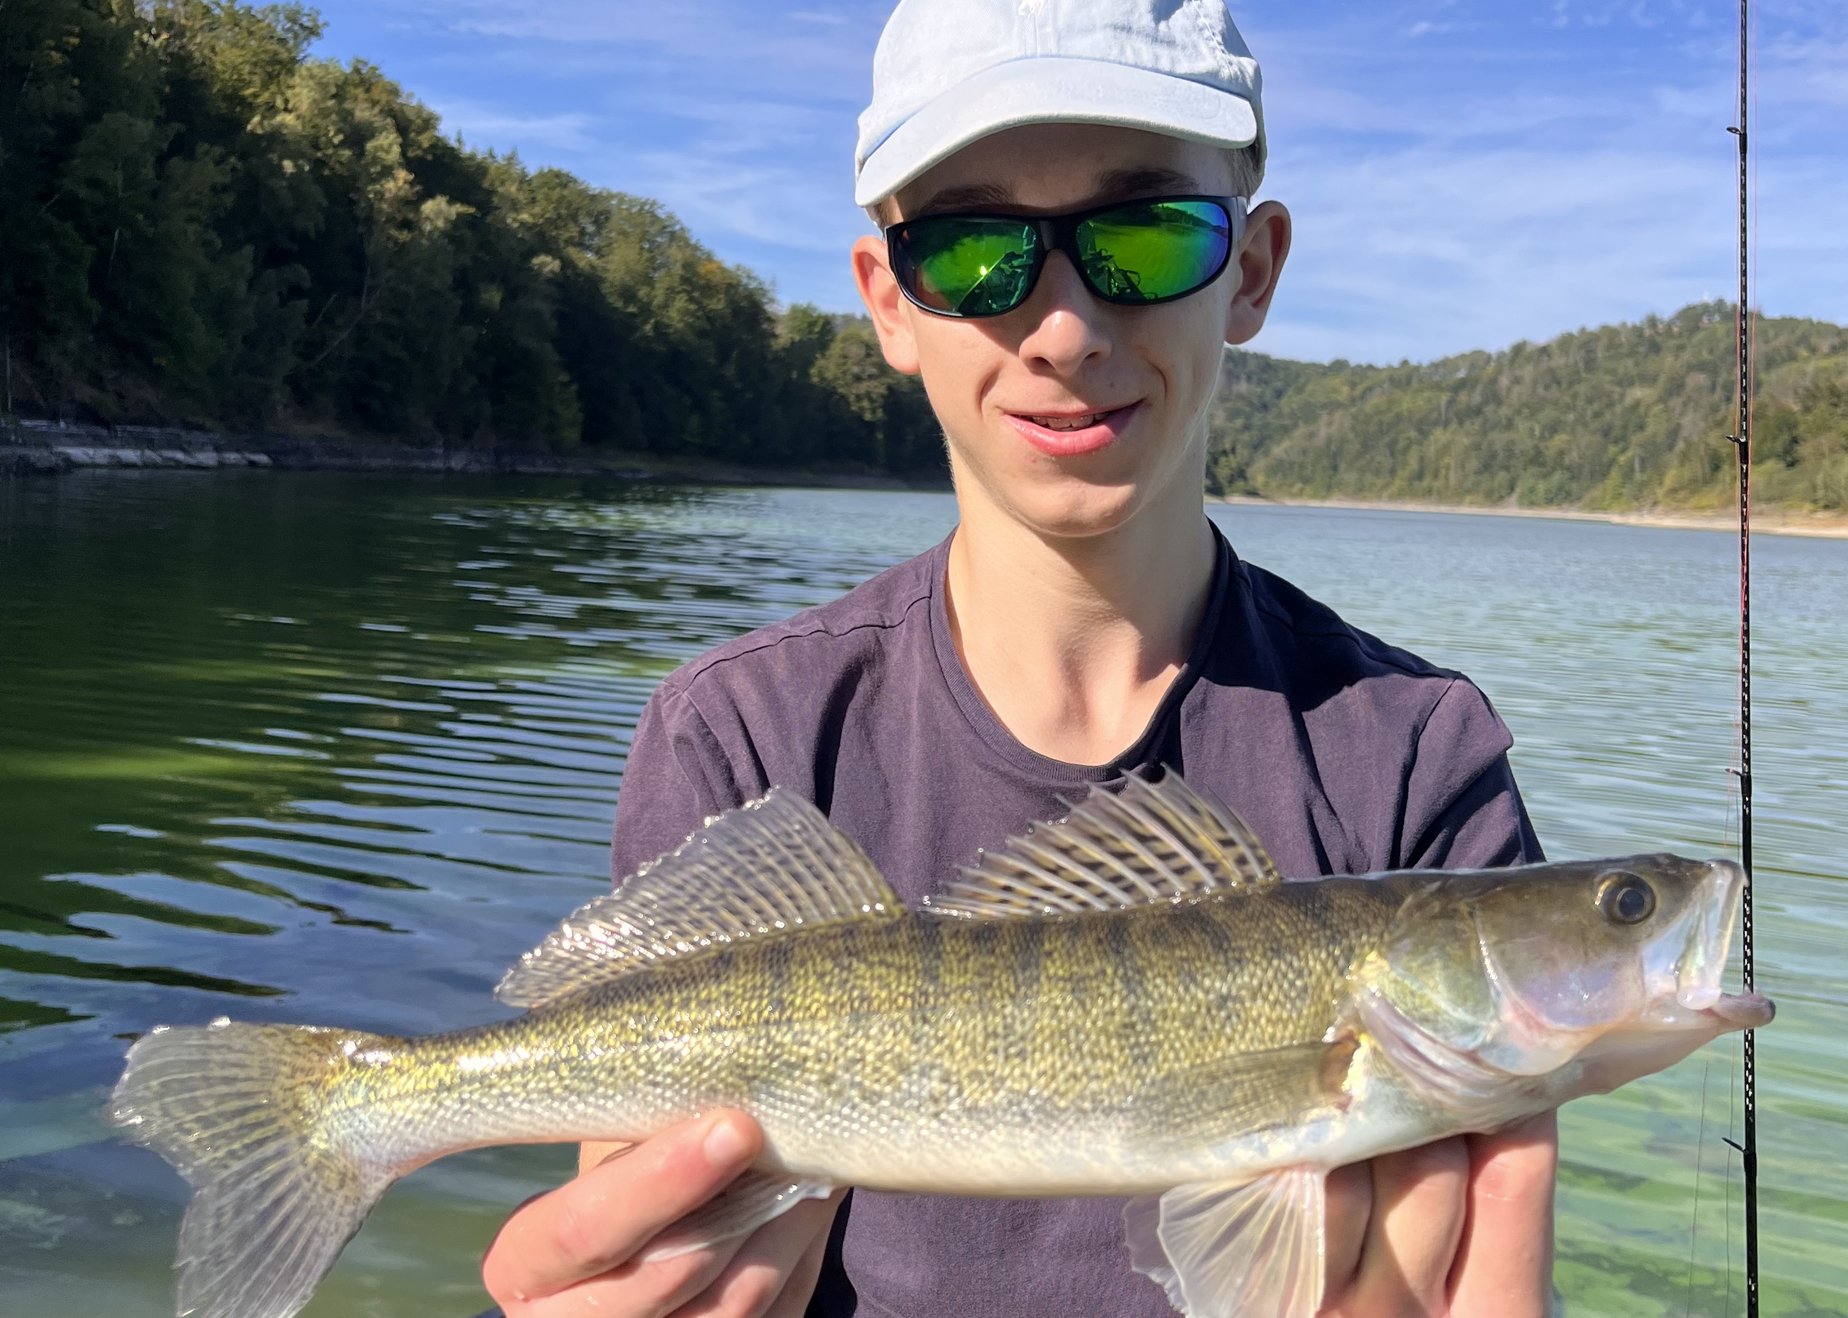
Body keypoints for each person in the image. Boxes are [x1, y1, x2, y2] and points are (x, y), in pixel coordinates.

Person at [480, 0, 1559, 1313]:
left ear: (1255, 271)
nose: (1063, 328)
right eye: (978, 251)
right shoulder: (745, 735)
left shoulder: (1416, 758)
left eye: (1146, 235)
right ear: (888, 297)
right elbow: (642, 1203)